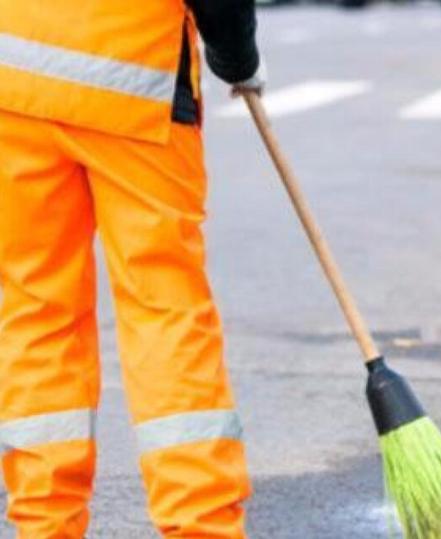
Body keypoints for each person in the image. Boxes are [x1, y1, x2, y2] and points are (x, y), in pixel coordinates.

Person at [0, 1, 264, 536]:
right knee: (163, 307)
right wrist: (236, 56)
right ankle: (199, 523)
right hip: (134, 83)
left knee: (35, 309)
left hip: (14, 82)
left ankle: (45, 521)